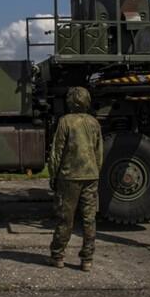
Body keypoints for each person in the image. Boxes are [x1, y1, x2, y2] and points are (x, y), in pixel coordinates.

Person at [48, 86, 103, 272]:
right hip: (91, 175)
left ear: (70, 101)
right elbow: (98, 152)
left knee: (66, 218)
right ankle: (87, 259)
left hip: (69, 176)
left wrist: (53, 176)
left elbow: (57, 152)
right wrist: (96, 172)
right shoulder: (95, 123)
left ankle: (58, 256)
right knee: (89, 219)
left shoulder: (65, 122)